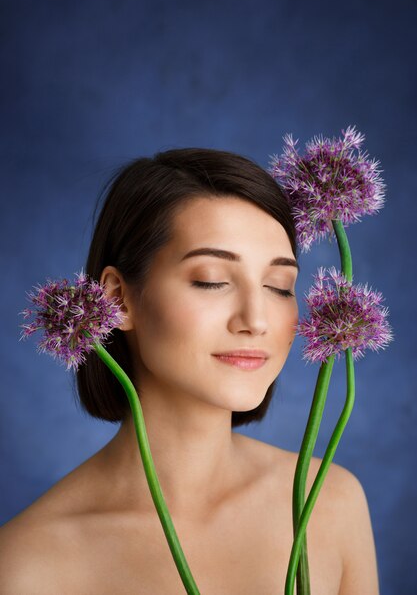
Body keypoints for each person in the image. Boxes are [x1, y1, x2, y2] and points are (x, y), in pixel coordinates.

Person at [0, 148, 379, 594]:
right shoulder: (26, 563)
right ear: (117, 300)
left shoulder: (330, 502)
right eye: (211, 280)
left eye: (280, 287)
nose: (255, 320)